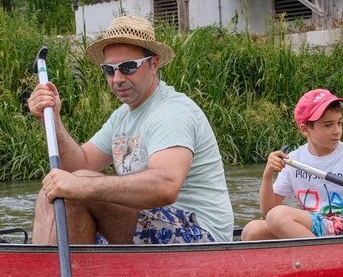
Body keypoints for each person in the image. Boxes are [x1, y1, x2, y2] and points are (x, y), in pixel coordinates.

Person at [26, 14, 234, 245]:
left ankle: (67, 275)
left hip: (200, 236)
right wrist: (53, 121)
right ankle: (44, 271)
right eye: (109, 69)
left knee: (79, 188)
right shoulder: (122, 117)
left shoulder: (173, 112)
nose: (117, 78)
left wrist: (80, 184)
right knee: (51, 190)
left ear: (153, 64)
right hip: (150, 225)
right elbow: (78, 165)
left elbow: (166, 185)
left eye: (128, 67)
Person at [241, 89, 343, 240]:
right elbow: (268, 210)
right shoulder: (294, 159)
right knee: (252, 231)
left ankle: (323, 260)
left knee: (278, 216)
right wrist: (268, 174)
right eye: (328, 125)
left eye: (339, 123)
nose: (337, 131)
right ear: (305, 130)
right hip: (315, 229)